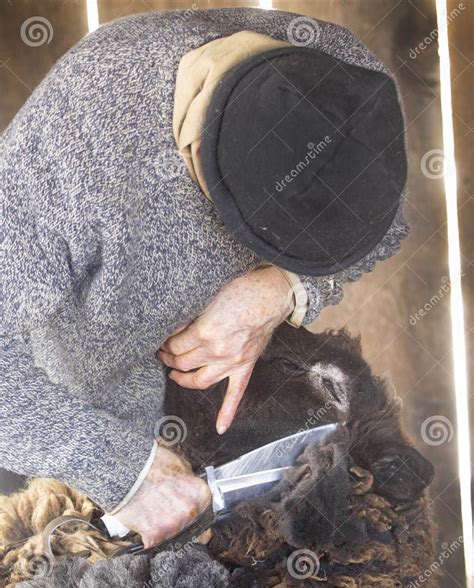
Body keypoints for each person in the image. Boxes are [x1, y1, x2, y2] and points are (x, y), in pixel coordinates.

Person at [0, 9, 408, 548]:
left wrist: (284, 288)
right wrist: (124, 469)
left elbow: (386, 224)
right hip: (71, 421)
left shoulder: (345, 85)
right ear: (202, 166)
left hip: (225, 402)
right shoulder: (69, 150)